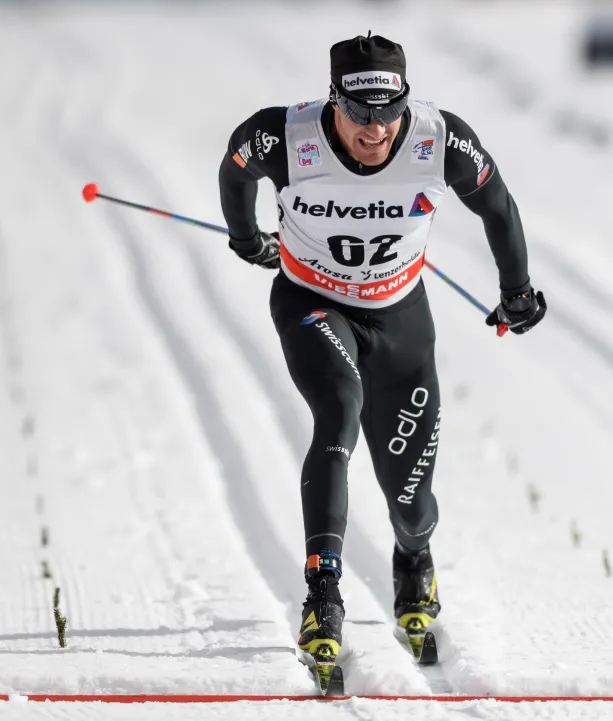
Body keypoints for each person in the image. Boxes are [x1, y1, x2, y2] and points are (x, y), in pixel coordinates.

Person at [217, 33, 547, 659]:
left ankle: (414, 556)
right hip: (314, 303)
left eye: (389, 113)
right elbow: (234, 173)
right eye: (361, 114)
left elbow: (498, 208)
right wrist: (247, 238)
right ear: (333, 99)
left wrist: (518, 292)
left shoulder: (438, 138)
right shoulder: (283, 135)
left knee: (411, 500)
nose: (376, 131)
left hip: (400, 318)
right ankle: (323, 593)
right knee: (338, 409)